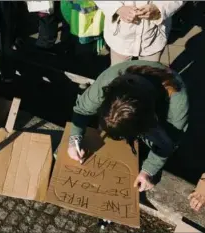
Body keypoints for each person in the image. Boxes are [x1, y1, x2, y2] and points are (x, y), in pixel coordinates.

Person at [67, 60, 188, 192]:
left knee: (163, 142)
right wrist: (74, 139)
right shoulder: (109, 79)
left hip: (159, 109)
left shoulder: (177, 104)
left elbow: (168, 142)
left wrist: (148, 171)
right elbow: (82, 109)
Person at [94, 1, 184, 65]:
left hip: (153, 35)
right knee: (117, 74)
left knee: (148, 77)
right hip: (120, 34)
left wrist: (160, 8)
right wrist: (117, 8)